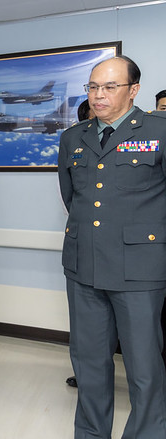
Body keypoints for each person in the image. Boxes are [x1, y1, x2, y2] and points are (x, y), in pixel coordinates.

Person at [58, 56, 166, 439]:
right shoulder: (73, 137)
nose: (98, 95)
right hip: (84, 267)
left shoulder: (158, 129)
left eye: (109, 87)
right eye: (92, 87)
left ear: (133, 90)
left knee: (144, 369)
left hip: (140, 270)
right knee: (88, 365)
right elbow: (73, 198)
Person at [65, 99, 94, 389]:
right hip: (83, 254)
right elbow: (70, 196)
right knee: (87, 337)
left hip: (138, 260)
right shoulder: (71, 140)